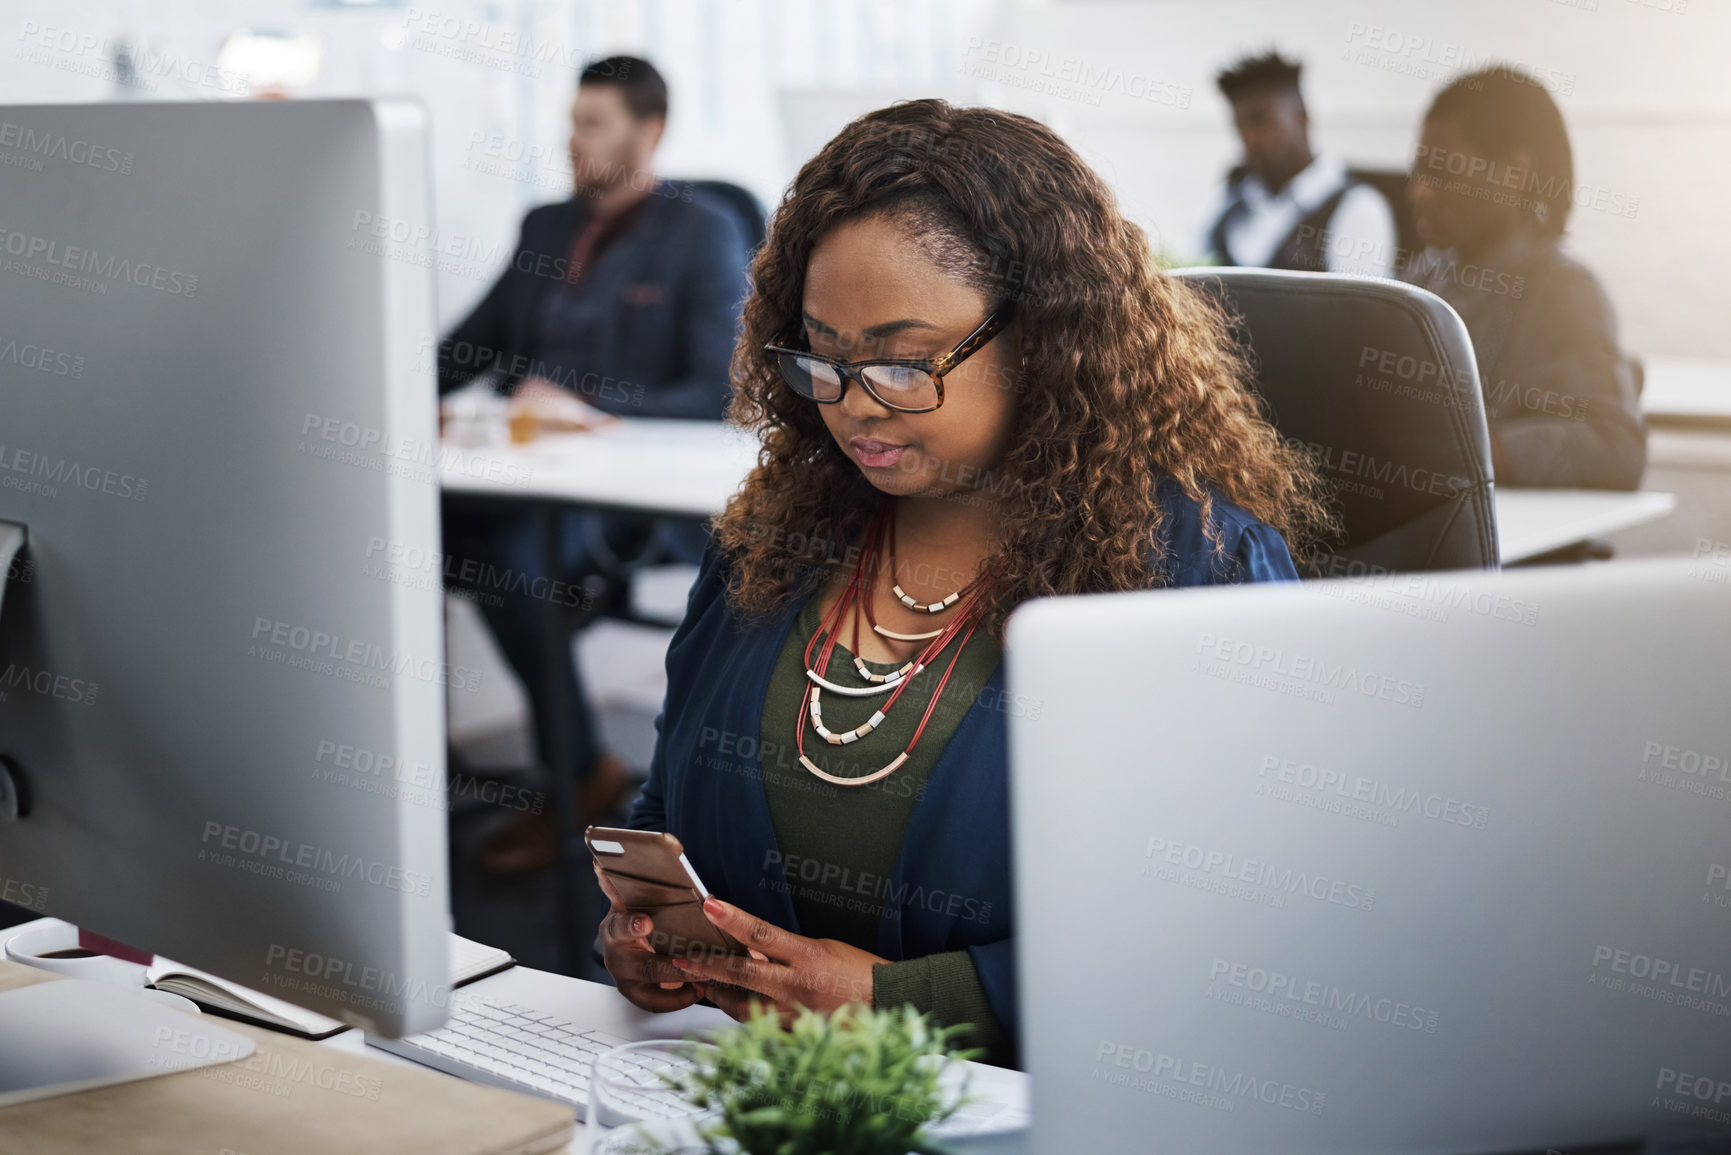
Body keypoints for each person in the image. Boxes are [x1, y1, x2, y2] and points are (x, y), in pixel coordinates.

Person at [595, 99, 1337, 1068]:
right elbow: (665, 818)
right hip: (739, 1097)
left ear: (1040, 335)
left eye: (903, 364)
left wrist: (903, 1003)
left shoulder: (1197, 576)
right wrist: (641, 937)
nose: (852, 407)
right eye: (821, 355)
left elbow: (1252, 933)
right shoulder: (768, 543)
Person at [438, 56, 752, 874]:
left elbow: (721, 387)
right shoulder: (546, 225)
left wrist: (593, 407)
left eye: (593, 123)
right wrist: (389, 392)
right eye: (571, 121)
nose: (571, 141)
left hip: (618, 492)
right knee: (424, 528)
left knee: (510, 558)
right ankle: (456, 778)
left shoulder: (700, 230)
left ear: (649, 131)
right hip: (516, 471)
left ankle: (576, 776)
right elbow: (469, 344)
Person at [1403, 68, 1646, 490]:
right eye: (1418, 172)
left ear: (1513, 175)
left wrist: (1468, 452)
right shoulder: (1422, 276)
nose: (1419, 193)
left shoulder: (1563, 289)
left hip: (1517, 547)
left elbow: (1616, 445)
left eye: (1441, 173)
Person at [1204, 51, 1398, 277]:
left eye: (1260, 120)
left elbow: (1358, 310)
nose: (1249, 139)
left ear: (1302, 115)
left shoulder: (1357, 208)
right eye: (1239, 126)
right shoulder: (1230, 202)